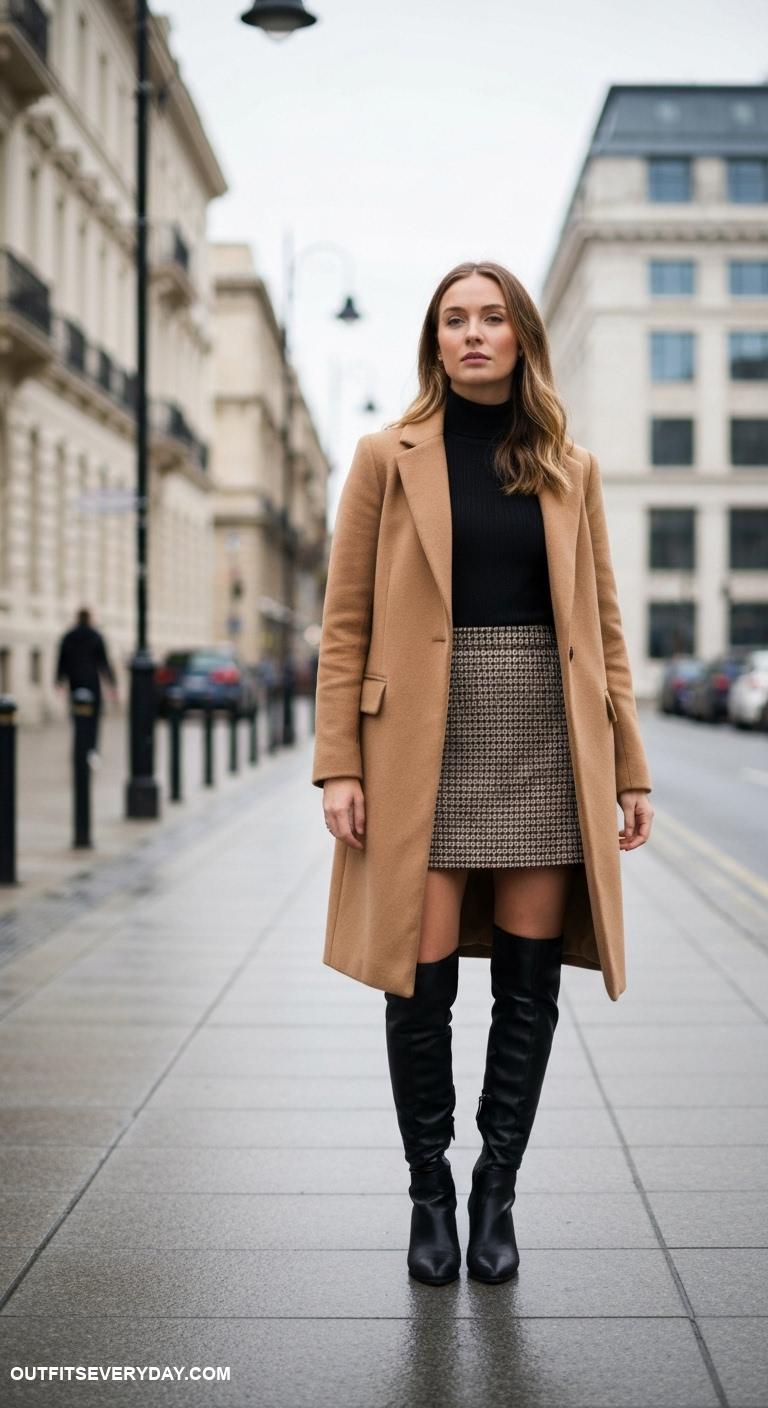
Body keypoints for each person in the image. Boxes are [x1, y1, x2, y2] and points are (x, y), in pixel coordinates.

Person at [311, 260, 654, 1288]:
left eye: (490, 318)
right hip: (423, 737)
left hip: (546, 737)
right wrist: (338, 762)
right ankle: (430, 1190)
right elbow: (345, 624)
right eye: (454, 319)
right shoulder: (385, 455)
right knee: (418, 982)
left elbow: (602, 620)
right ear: (435, 341)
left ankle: (497, 1187)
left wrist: (627, 764)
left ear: (520, 337)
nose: (471, 334)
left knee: (528, 983)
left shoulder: (568, 464)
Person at [54, 608, 119, 767]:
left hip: (75, 682)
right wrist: (112, 684)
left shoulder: (69, 636)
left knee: (77, 718)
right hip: (92, 682)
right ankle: (91, 750)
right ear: (90, 618)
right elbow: (104, 662)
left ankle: (79, 750)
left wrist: (59, 680)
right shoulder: (96, 636)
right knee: (93, 719)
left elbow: (62, 660)